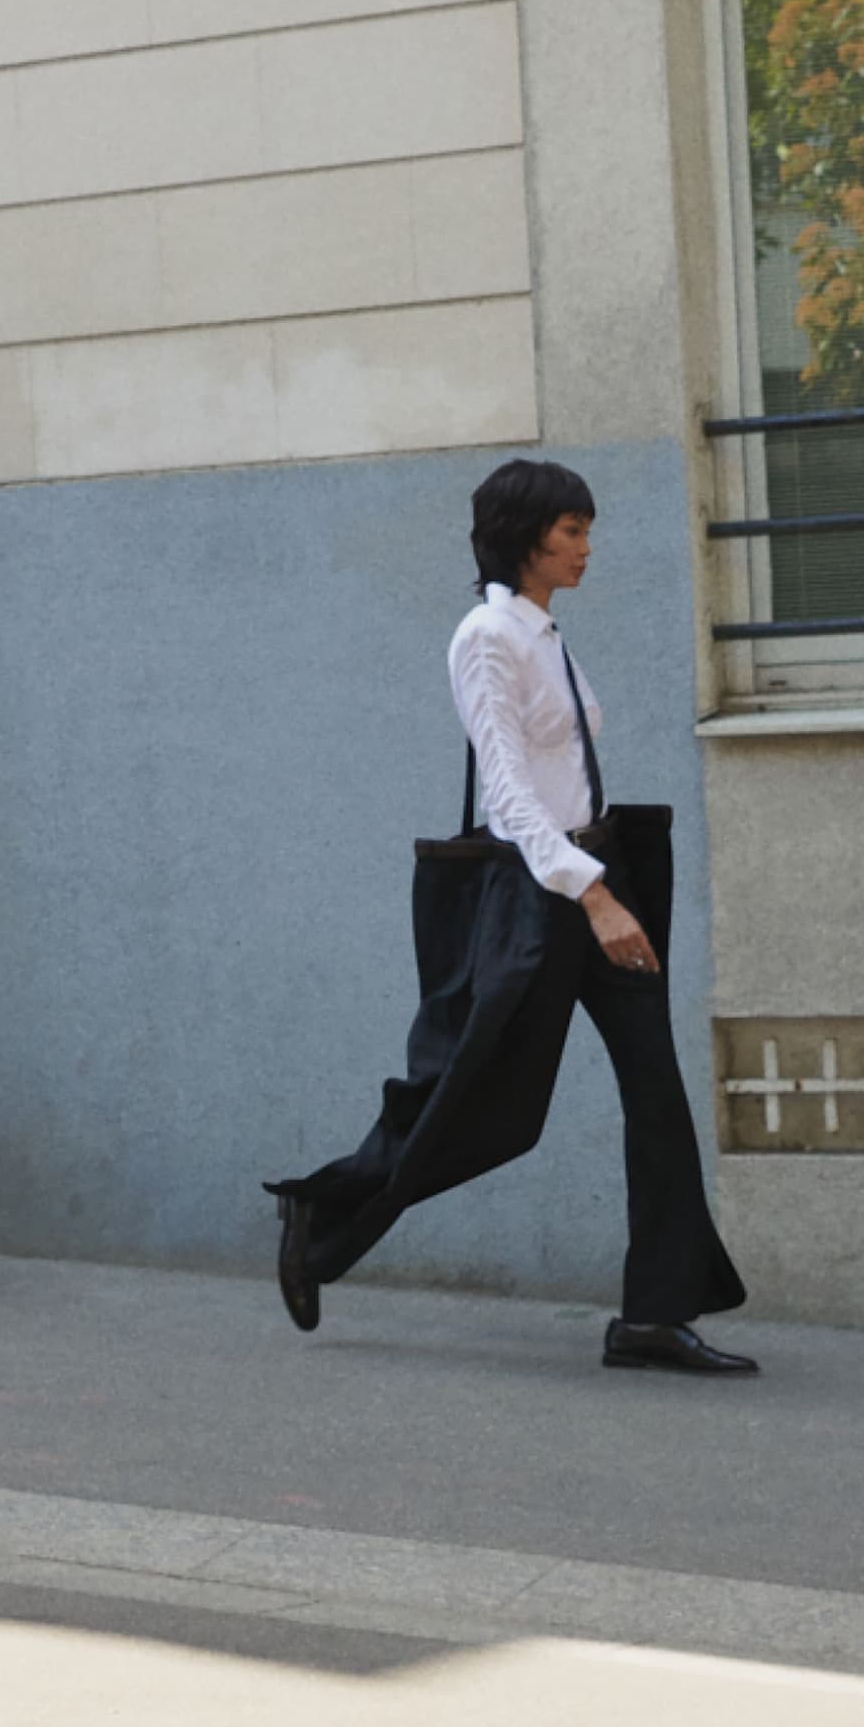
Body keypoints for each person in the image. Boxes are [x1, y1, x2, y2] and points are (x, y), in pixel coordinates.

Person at [264, 458, 754, 1374]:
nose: (586, 546)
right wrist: (594, 894)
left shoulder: (544, 633)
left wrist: (609, 881)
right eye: (570, 531)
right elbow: (509, 797)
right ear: (525, 536)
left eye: (584, 529)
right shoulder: (487, 636)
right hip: (550, 892)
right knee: (488, 1106)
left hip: (599, 874)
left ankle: (653, 1313)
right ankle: (321, 1216)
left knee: (656, 1092)